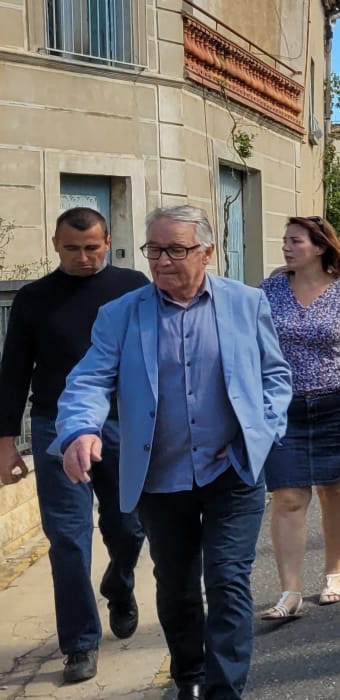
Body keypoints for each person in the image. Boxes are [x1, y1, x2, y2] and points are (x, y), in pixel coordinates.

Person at [52, 205, 293, 700]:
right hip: (160, 477)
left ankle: (224, 690)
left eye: (175, 250)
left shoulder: (246, 304)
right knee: (178, 589)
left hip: (233, 470)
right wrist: (80, 430)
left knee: (227, 583)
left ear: (206, 252)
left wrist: (263, 432)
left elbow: (275, 376)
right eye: (153, 250)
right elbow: (90, 379)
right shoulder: (121, 315)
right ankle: (189, 677)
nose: (162, 261)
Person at [0, 208, 147, 684]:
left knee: (129, 524)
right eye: (71, 249)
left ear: (107, 242)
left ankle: (119, 583)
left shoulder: (133, 287)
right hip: (52, 428)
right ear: (55, 245)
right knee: (67, 538)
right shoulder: (33, 298)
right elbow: (14, 371)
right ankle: (80, 644)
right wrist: (6, 442)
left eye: (92, 247)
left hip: (123, 421)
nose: (83, 257)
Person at [259, 217, 340, 620]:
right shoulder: (270, 289)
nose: (286, 247)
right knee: (289, 497)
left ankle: (333, 572)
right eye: (285, 241)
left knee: (335, 490)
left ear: (319, 246)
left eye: (295, 241)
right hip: (284, 409)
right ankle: (289, 590)